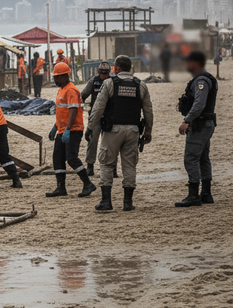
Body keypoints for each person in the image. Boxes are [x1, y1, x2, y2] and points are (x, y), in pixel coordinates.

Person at [88, 56, 153, 211]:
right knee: (129, 166)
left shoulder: (109, 84)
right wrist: (148, 130)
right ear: (130, 68)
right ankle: (128, 203)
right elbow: (148, 110)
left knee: (106, 163)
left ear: (115, 68)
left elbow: (98, 108)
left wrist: (90, 126)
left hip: (112, 130)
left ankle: (106, 201)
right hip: (133, 130)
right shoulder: (140, 85)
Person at [45, 63, 96, 198]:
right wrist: (55, 127)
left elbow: (73, 110)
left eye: (57, 77)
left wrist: (68, 129)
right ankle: (61, 187)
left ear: (64, 76)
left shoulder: (71, 90)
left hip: (73, 129)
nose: (55, 80)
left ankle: (88, 183)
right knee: (58, 157)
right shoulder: (61, 90)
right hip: (62, 129)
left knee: (71, 158)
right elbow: (62, 112)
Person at [175, 51, 218, 207]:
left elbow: (199, 104)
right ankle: (206, 194)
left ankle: (194, 195)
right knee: (203, 158)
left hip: (200, 124)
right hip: (206, 123)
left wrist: (187, 120)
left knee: (191, 158)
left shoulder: (201, 80)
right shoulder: (205, 78)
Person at [81, 61, 112, 176]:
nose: (104, 75)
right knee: (92, 141)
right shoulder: (94, 81)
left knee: (110, 143)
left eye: (106, 73)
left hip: (109, 116)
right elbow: (83, 94)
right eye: (102, 73)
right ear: (98, 72)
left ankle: (111, 167)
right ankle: (90, 165)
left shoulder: (112, 81)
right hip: (95, 115)